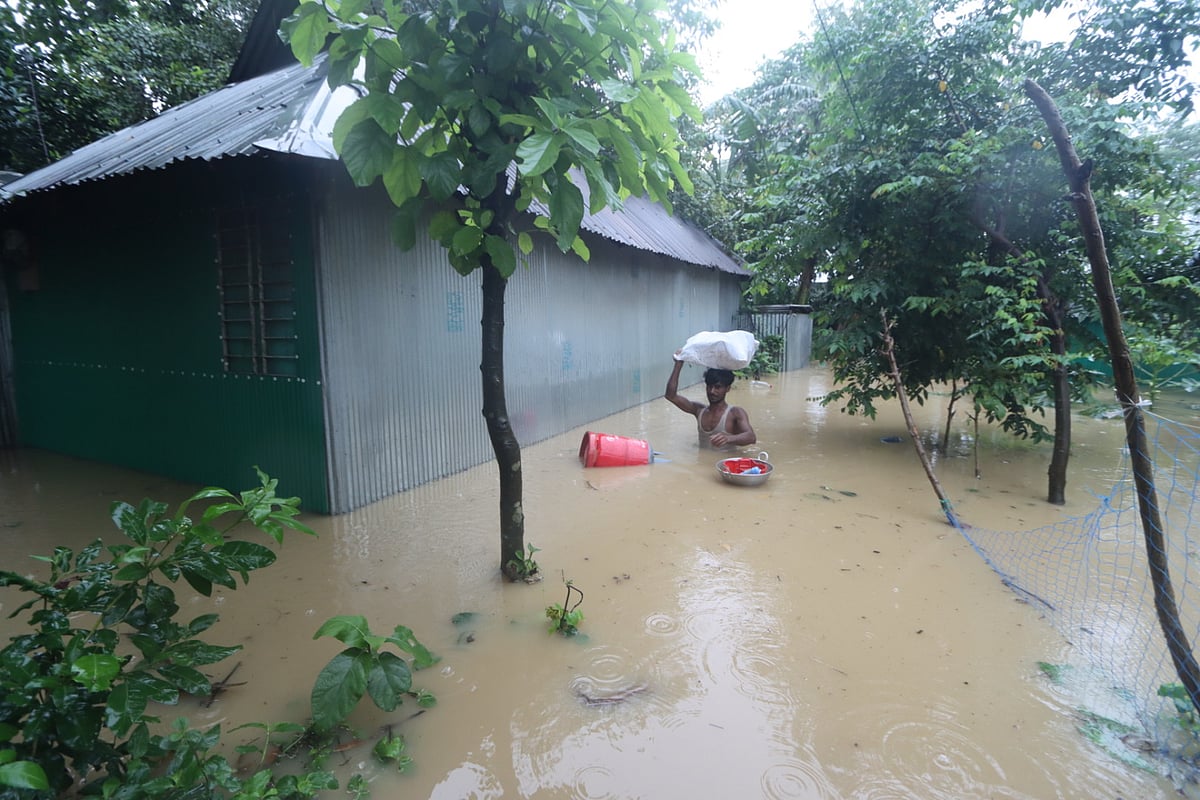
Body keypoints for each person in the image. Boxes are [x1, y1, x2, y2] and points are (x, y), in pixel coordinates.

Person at [665, 357, 756, 450]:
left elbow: (751, 437)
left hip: (726, 459)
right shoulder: (699, 410)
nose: (712, 391)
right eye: (709, 386)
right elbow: (670, 396)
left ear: (727, 388)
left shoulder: (735, 413)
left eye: (717, 387)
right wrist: (678, 364)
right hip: (702, 459)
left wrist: (729, 438)